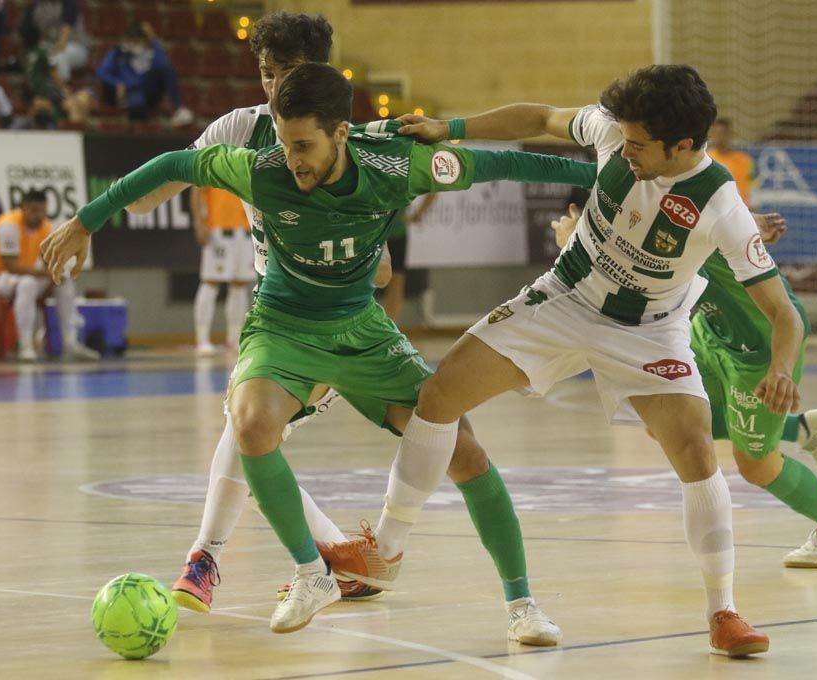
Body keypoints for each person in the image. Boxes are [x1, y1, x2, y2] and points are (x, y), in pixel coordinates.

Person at [41, 63, 595, 640]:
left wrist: (603, 176)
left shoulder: (399, 165)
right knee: (251, 425)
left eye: (303, 145)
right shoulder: (262, 170)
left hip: (362, 329)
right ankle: (313, 573)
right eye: (284, 143)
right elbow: (175, 164)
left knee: (465, 452)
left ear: (340, 133)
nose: (293, 159)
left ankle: (522, 605)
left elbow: (503, 163)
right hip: (283, 327)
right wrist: (87, 220)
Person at [372, 64, 804, 657]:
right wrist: (451, 126)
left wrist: (781, 370)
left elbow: (785, 313)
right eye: (622, 138)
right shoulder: (615, 136)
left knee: (697, 449)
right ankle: (384, 549)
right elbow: (540, 116)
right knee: (439, 396)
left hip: (649, 332)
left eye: (639, 145)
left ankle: (723, 612)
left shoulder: (722, 207)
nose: (624, 150)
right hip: (564, 298)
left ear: (683, 145)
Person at [124, 13, 390, 615]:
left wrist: (324, 247)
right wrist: (129, 200)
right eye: (266, 73)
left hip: (334, 318)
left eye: (287, 74)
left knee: (248, 432)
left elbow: (383, 271)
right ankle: (344, 559)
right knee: (253, 437)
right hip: (276, 315)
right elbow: (162, 182)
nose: (273, 89)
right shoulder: (240, 127)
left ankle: (205, 557)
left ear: (319, 74)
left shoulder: (347, 141)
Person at [550, 205, 817, 568]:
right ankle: (806, 430)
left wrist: (576, 244)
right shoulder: (648, 190)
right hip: (710, 328)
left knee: (756, 467)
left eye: (639, 145)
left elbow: (702, 207)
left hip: (760, 347)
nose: (632, 153)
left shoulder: (679, 189)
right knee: (669, 421)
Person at [0, 190, 98, 361]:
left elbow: (48, 261)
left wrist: (56, 273)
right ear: (23, 208)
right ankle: (25, 345)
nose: (39, 215)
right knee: (28, 284)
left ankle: (71, 343)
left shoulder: (45, 226)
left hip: (23, 277)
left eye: (42, 210)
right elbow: (12, 267)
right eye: (34, 210)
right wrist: (47, 274)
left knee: (64, 282)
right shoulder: (8, 225)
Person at [190, 186, 256, 354]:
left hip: (246, 228)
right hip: (218, 228)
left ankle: (234, 339)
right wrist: (199, 222)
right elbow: (197, 190)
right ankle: (202, 338)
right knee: (211, 281)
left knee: (240, 284)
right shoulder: (213, 159)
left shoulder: (250, 159)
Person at [95, 21, 193, 127]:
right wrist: (117, 83)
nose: (134, 44)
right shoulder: (117, 53)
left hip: (147, 90)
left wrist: (153, 39)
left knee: (167, 69)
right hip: (128, 91)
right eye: (131, 40)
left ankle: (178, 109)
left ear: (144, 41)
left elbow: (164, 66)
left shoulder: (151, 53)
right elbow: (102, 72)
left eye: (137, 40)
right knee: (136, 107)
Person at [381, 193, 435, 324]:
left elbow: (433, 189)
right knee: (394, 281)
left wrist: (418, 214)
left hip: (393, 232)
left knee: (396, 281)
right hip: (377, 232)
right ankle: (388, 327)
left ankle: (390, 327)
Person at [19, 0, 87, 84]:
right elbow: (33, 35)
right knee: (34, 57)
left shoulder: (69, 3)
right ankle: (38, 93)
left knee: (58, 58)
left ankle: (61, 93)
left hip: (75, 47)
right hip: (51, 46)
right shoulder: (38, 5)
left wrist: (49, 54)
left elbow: (63, 41)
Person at [707, 118, 754, 208]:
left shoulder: (744, 160)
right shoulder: (706, 159)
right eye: (717, 134)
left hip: (740, 210)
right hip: (715, 211)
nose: (720, 138)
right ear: (712, 135)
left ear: (730, 135)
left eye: (724, 134)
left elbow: (751, 187)